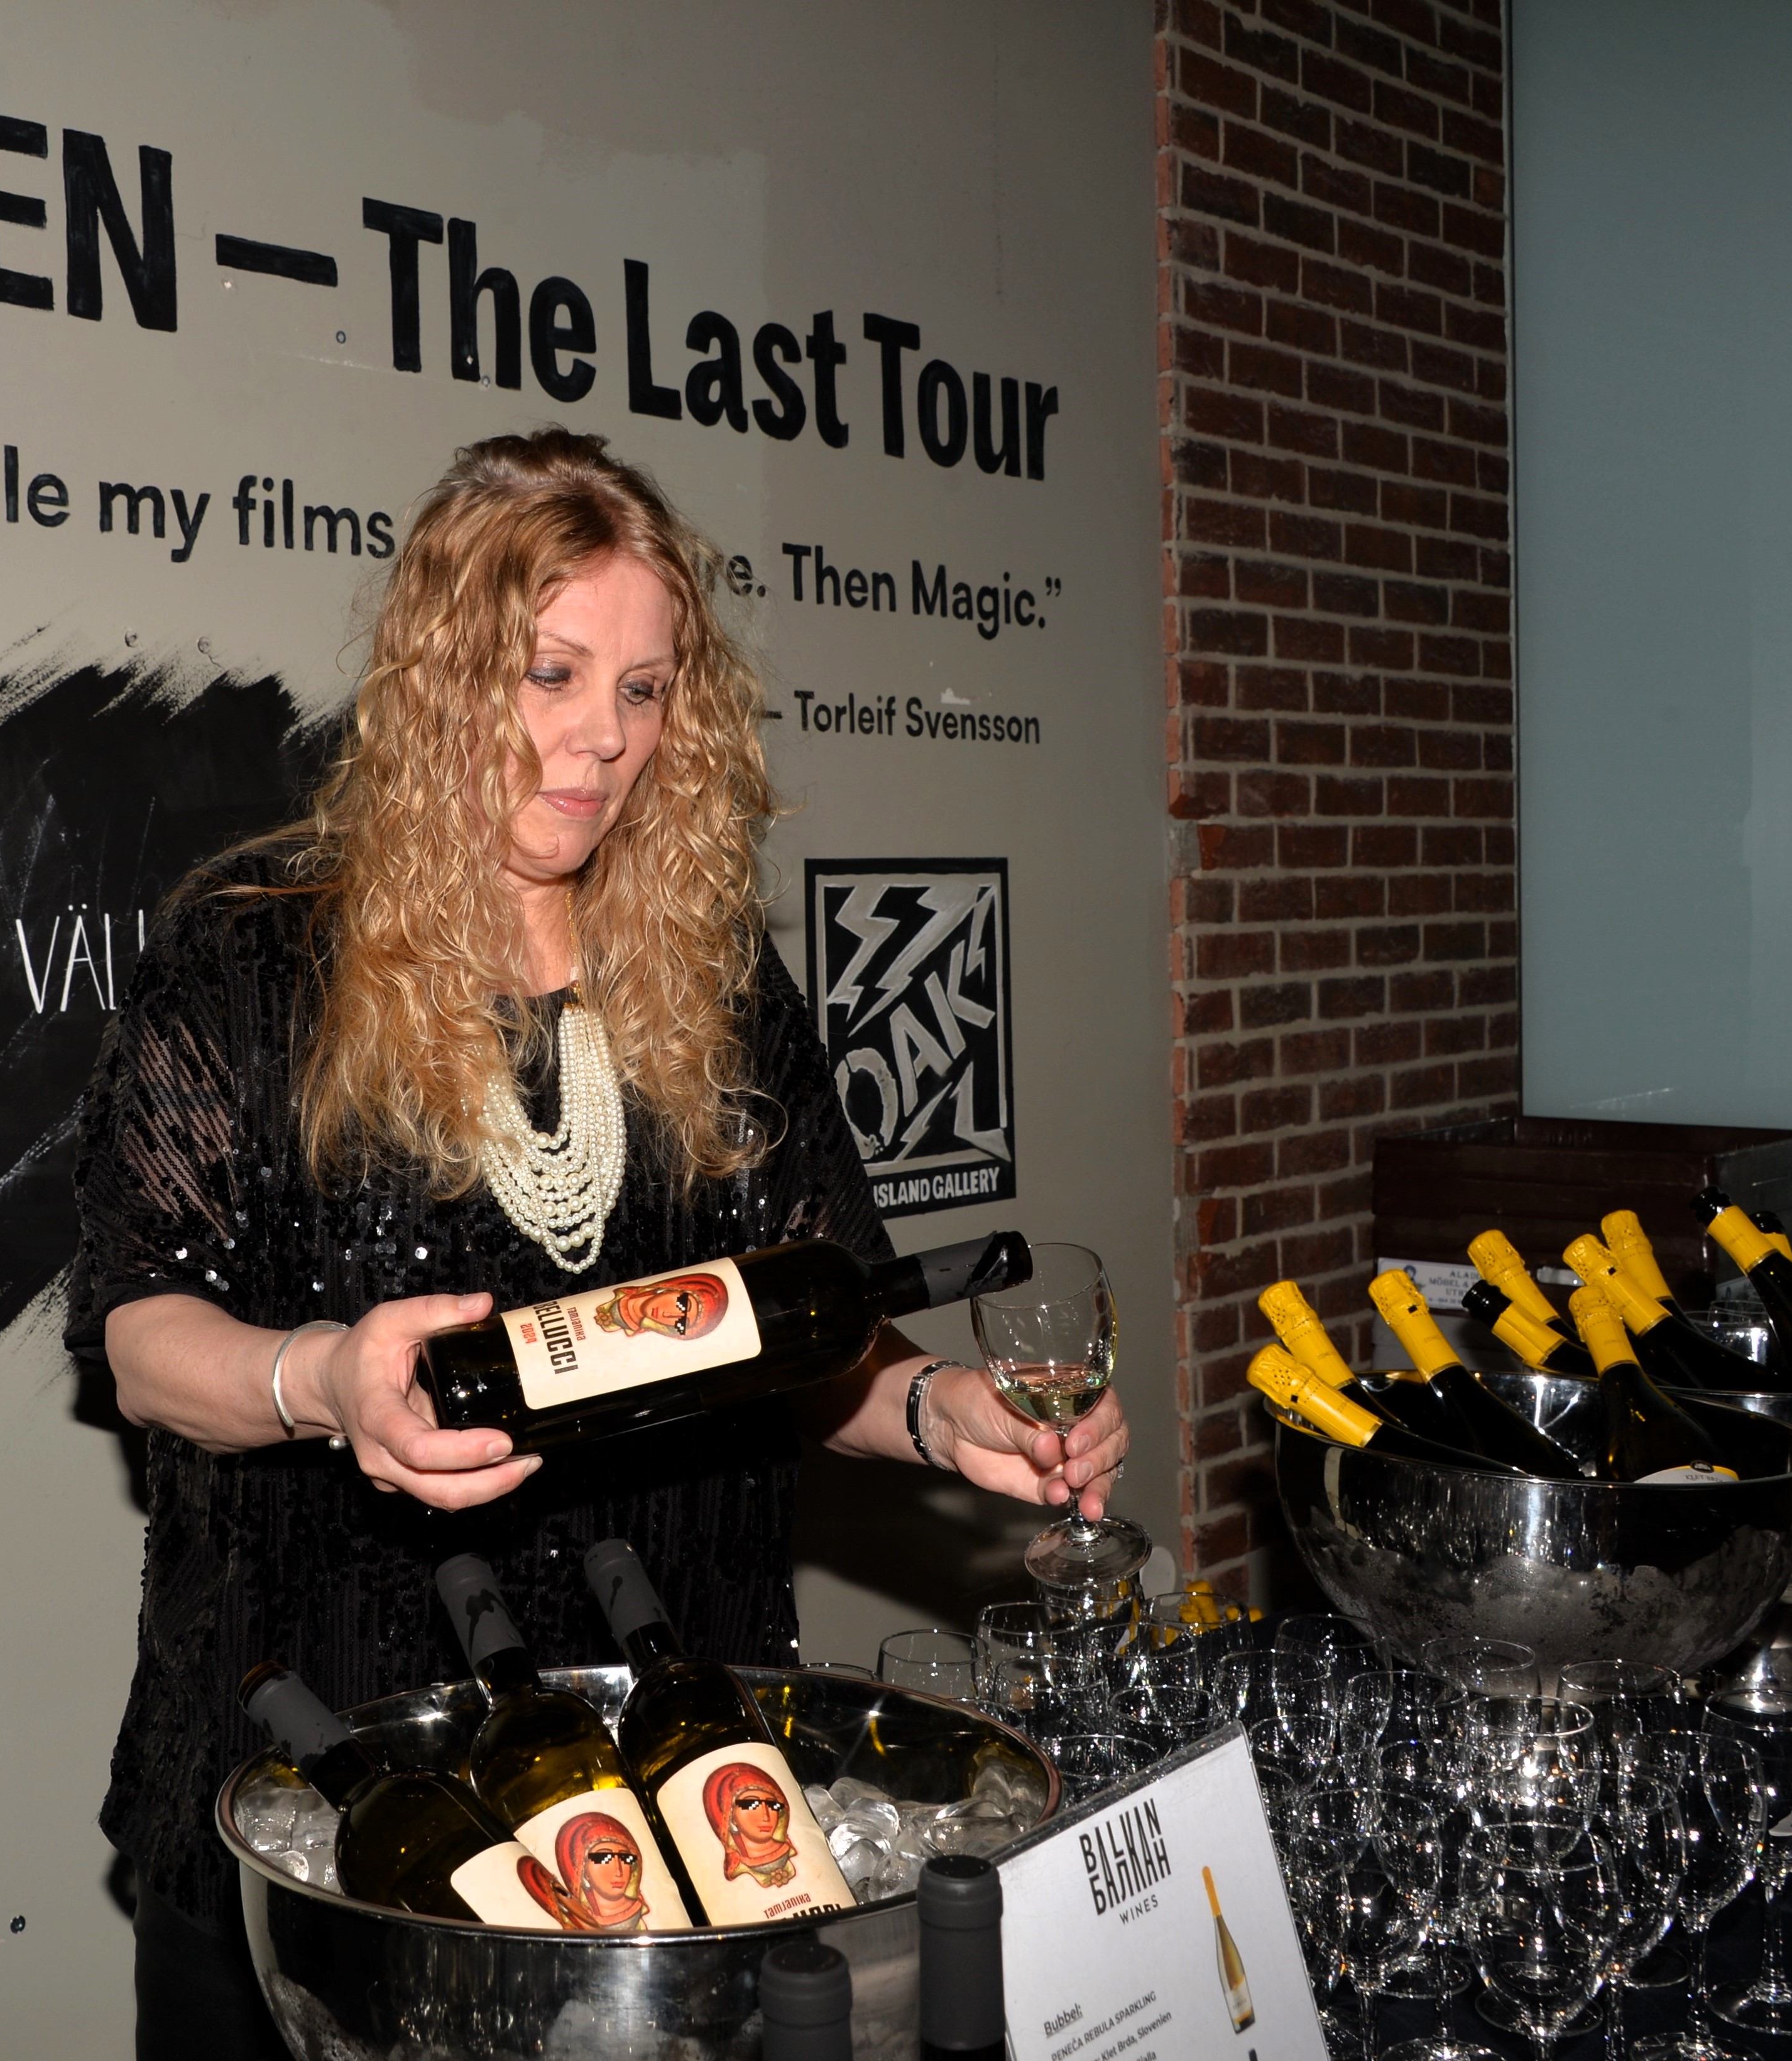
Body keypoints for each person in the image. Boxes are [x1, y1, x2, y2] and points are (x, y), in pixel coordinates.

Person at [65, 427, 1129, 2056]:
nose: (604, 737)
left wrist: (935, 1412)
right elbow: (142, 1336)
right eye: (552, 675)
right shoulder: (256, 961)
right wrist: (326, 1380)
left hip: (670, 1789)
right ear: (441, 676)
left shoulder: (710, 977)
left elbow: (791, 1330)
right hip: (337, 1788)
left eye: (643, 689)